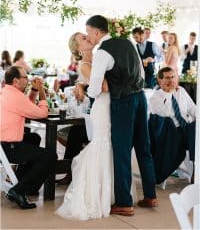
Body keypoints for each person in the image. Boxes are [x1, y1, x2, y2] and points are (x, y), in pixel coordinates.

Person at [86, 16, 157, 216]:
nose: (89, 36)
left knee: (122, 150)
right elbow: (141, 73)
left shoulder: (102, 51)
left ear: (97, 32)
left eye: (89, 32)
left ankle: (124, 203)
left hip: (122, 102)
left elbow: (95, 84)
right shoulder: (128, 43)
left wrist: (88, 95)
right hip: (140, 97)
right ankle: (151, 196)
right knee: (144, 147)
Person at [55, 31, 113, 220]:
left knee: (108, 146)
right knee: (100, 145)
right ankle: (93, 195)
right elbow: (103, 87)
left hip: (110, 106)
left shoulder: (99, 57)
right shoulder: (85, 65)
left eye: (86, 35)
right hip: (102, 108)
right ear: (78, 48)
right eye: (82, 38)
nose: (87, 37)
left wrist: (82, 86)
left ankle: (108, 192)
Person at [0, 66, 57, 209]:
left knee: (34, 138)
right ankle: (18, 191)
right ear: (16, 81)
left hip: (3, 145)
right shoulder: (15, 97)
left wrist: (34, 90)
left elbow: (27, 106)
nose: (28, 79)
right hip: (8, 148)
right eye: (25, 77)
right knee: (50, 156)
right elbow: (42, 113)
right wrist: (42, 92)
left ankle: (24, 184)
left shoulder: (6, 92)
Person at [149, 67, 196, 182]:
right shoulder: (156, 97)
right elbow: (164, 113)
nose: (171, 80)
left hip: (186, 128)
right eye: (167, 78)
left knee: (194, 127)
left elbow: (192, 108)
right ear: (160, 81)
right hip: (171, 133)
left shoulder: (181, 91)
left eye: (173, 76)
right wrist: (168, 93)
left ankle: (196, 165)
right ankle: (195, 166)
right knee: (193, 132)